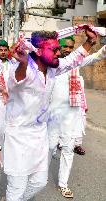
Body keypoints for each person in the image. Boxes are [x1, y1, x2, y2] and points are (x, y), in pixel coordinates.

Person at [3, 28, 97, 201]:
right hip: (18, 137)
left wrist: (90, 42)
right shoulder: (22, 68)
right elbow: (17, 80)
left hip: (39, 135)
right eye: (53, 49)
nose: (58, 52)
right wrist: (23, 64)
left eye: (57, 49)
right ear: (38, 51)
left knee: (39, 182)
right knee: (17, 187)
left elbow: (72, 60)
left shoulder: (52, 69)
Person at [47, 36, 106, 198]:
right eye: (64, 46)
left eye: (70, 47)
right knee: (49, 147)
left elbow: (95, 57)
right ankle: (40, 176)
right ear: (58, 47)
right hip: (52, 115)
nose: (67, 49)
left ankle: (63, 184)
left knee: (68, 149)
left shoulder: (75, 63)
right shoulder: (51, 65)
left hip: (71, 114)